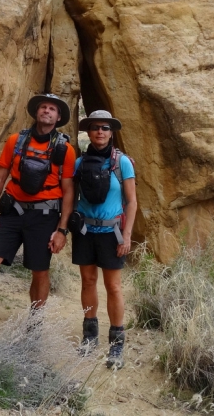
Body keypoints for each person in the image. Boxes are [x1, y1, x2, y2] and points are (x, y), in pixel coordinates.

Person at [0, 93, 77, 325]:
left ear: (59, 117)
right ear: (36, 112)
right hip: (12, 212)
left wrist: (62, 230)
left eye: (52, 109)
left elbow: (69, 191)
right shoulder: (16, 141)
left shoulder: (65, 150)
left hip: (44, 217)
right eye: (43, 107)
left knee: (39, 270)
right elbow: (0, 175)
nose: (46, 111)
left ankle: (35, 323)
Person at [71, 110, 136, 369]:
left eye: (105, 128)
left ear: (111, 132)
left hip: (112, 233)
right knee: (88, 281)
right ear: (88, 131)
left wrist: (127, 235)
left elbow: (131, 201)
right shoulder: (79, 163)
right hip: (86, 231)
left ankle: (117, 344)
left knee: (113, 286)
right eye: (96, 127)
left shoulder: (122, 163)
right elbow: (71, 196)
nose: (100, 131)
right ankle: (90, 337)